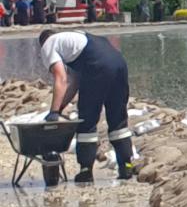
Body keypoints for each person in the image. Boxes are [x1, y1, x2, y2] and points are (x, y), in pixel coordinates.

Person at [39, 26, 137, 182]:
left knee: (87, 122)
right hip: (119, 63)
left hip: (97, 67)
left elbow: (61, 79)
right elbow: (74, 83)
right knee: (118, 120)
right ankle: (127, 166)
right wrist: (61, 107)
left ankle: (85, 171)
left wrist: (54, 112)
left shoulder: (48, 44)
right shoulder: (75, 40)